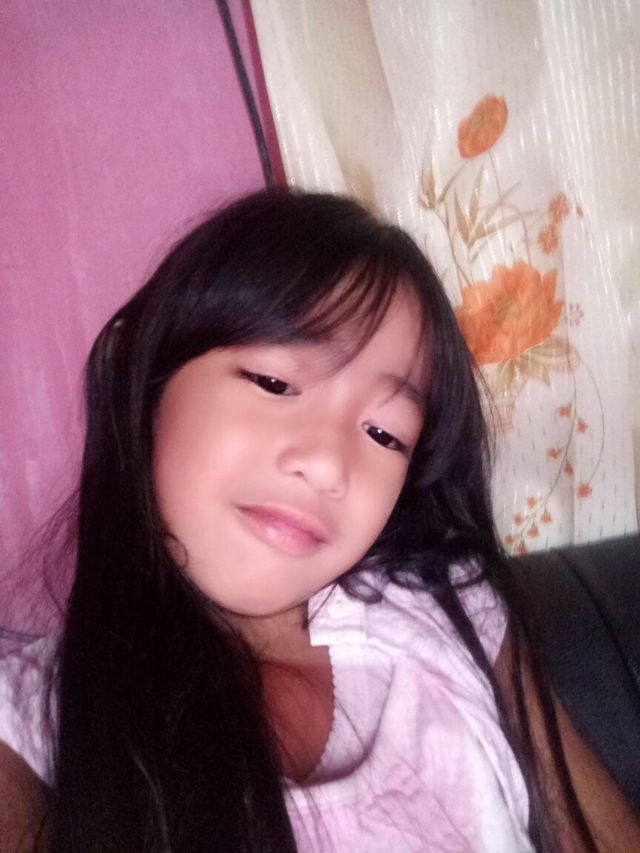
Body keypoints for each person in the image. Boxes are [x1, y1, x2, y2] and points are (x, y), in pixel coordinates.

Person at [0, 189, 638, 853]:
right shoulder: (31, 723)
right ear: (145, 381)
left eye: (385, 433)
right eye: (274, 383)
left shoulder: (452, 612)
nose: (331, 464)